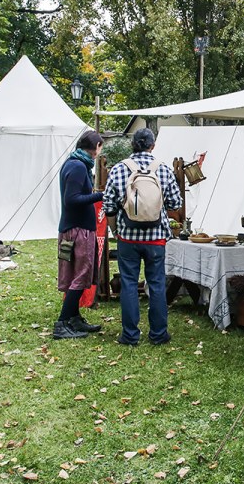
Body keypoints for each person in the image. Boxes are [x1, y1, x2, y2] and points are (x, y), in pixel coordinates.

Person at [101, 128, 183, 347]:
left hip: (127, 236)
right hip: (156, 238)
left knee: (128, 283)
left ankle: (130, 335)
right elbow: (176, 204)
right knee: (156, 284)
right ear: (152, 146)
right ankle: (158, 334)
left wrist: (116, 231)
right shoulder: (163, 170)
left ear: (132, 145)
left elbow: (108, 205)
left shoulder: (119, 169)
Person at [53, 131, 106, 340]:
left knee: (78, 273)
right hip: (77, 229)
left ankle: (74, 318)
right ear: (96, 146)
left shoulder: (76, 163)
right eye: (100, 147)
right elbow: (72, 199)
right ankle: (62, 323)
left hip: (75, 227)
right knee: (80, 274)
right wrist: (101, 194)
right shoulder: (76, 166)